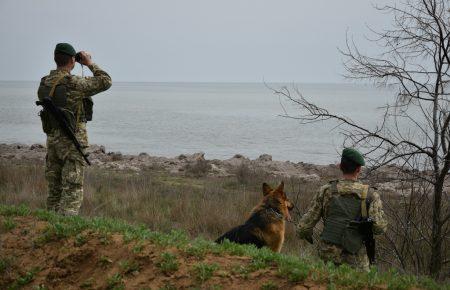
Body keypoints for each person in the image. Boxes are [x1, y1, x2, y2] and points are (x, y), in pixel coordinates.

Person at [37, 43, 112, 216]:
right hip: (72, 144)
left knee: (54, 191)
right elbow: (106, 81)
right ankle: (64, 232)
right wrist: (89, 63)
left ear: (55, 59)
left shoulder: (44, 83)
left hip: (53, 143)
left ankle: (50, 226)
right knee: (72, 190)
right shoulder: (73, 83)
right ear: (72, 60)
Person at [296, 148, 387, 271]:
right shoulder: (371, 195)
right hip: (356, 258)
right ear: (359, 169)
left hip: (328, 254)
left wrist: (305, 235)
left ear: (340, 166)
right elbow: (379, 228)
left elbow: (304, 227)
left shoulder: (326, 191)